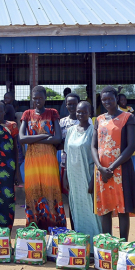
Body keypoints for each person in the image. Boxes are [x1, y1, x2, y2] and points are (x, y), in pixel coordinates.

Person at [92, 86, 135, 242]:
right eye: (104, 100)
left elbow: (131, 146)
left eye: (110, 99)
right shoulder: (99, 119)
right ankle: (107, 244)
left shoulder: (128, 117)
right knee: (105, 208)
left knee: (122, 209)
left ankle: (123, 245)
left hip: (120, 169)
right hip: (102, 171)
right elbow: (93, 146)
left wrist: (111, 168)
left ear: (117, 99)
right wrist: (100, 168)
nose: (107, 102)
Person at [19, 85, 66, 230]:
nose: (37, 101)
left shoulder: (52, 113)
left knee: (50, 189)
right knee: (33, 190)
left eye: (40, 98)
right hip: (32, 160)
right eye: (35, 98)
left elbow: (57, 138)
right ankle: (34, 224)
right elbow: (21, 138)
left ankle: (53, 224)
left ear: (45, 98)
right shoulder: (27, 114)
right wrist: (44, 136)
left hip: (49, 159)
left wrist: (32, 138)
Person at [63, 101, 102, 242]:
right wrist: (65, 176)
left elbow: (98, 156)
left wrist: (93, 179)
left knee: (91, 210)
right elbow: (66, 154)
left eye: (84, 112)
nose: (80, 114)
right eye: (78, 112)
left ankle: (94, 243)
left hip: (88, 175)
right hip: (73, 176)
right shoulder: (70, 131)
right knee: (77, 209)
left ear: (90, 114)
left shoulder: (93, 131)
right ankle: (81, 242)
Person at [59, 93, 80, 228]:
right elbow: (58, 142)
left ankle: (81, 224)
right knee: (70, 197)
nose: (72, 106)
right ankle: (73, 226)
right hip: (66, 163)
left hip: (81, 164)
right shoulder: (62, 122)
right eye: (69, 104)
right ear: (66, 105)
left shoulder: (86, 120)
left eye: (74, 103)